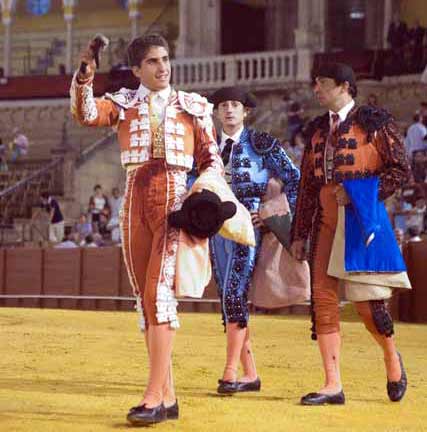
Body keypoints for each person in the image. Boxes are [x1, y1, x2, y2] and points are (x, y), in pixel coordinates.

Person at [70, 33, 224, 425]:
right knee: (145, 300)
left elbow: (211, 160)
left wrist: (199, 193)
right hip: (133, 203)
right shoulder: (123, 104)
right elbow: (86, 114)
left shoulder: (193, 106)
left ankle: (154, 397)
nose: (163, 67)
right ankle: (168, 395)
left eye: (166, 59)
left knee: (159, 295)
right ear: (137, 70)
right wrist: (85, 76)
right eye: (153, 61)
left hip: (173, 204)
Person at [290, 62, 410, 405]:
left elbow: (400, 170)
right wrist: (300, 233)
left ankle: (391, 359)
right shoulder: (315, 131)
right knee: (323, 301)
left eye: (323, 83)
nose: (316, 89)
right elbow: (308, 187)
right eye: (315, 83)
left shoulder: (374, 122)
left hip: (360, 220)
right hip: (325, 223)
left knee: (368, 303)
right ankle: (332, 384)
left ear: (344, 86)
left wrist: (361, 191)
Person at [207, 87, 300, 394]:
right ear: (217, 112)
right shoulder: (207, 149)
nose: (229, 110)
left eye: (234, 105)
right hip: (216, 230)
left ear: (245, 111)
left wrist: (270, 212)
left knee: (234, 292)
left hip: (248, 226)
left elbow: (295, 179)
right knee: (227, 297)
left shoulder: (261, 144)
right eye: (223, 106)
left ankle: (231, 371)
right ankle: (250, 374)